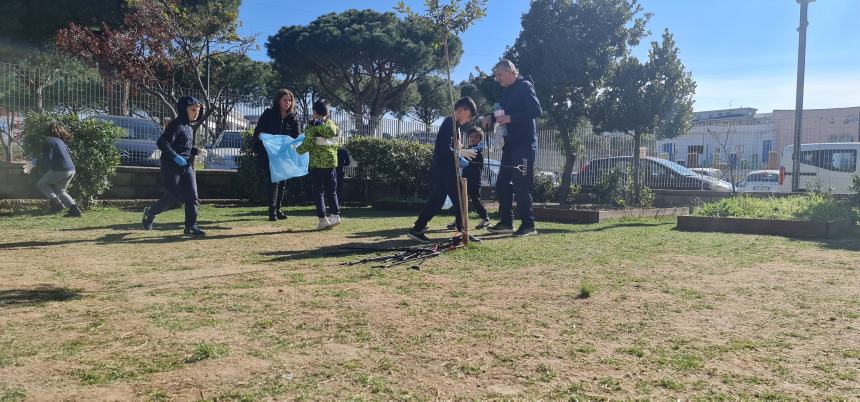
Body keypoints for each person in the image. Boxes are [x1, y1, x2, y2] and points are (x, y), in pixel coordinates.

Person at [407, 96, 481, 244]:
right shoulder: (449, 123)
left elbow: (450, 148)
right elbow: (444, 148)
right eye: (469, 116)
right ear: (461, 110)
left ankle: (417, 229)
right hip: (445, 169)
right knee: (460, 198)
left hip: (443, 168)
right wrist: (460, 152)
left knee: (437, 200)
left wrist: (460, 154)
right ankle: (461, 233)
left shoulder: (455, 126)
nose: (469, 120)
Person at [481, 59, 542, 237]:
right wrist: (489, 118)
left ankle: (528, 225)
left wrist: (511, 118)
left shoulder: (524, 86)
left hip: (524, 145)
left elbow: (536, 111)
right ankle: (506, 222)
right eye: (496, 77)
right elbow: (501, 112)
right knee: (501, 183)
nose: (498, 79)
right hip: (510, 146)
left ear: (510, 71)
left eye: (500, 75)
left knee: (521, 185)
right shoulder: (508, 92)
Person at [141, 96, 208, 236]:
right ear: (184, 110)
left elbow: (184, 147)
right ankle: (150, 213)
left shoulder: (189, 126)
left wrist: (197, 151)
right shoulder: (176, 125)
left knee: (192, 196)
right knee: (173, 197)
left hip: (186, 166)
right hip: (171, 165)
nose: (196, 113)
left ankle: (191, 227)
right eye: (193, 110)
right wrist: (175, 157)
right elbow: (162, 143)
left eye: (198, 110)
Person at [253, 89, 301, 221]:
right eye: (285, 100)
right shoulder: (269, 114)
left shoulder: (294, 116)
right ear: (278, 101)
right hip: (270, 154)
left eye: (290, 100)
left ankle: (278, 209)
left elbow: (296, 136)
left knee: (283, 182)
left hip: (285, 154)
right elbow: (258, 131)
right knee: (274, 181)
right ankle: (272, 211)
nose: (288, 102)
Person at [296, 99, 342, 230]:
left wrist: (296, 150)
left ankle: (322, 219)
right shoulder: (332, 125)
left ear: (315, 112)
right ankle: (335, 215)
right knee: (332, 191)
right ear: (327, 113)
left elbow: (308, 144)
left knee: (318, 191)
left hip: (317, 164)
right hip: (331, 163)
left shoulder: (312, 127)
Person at [25, 122, 81, 217]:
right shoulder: (60, 141)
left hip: (60, 169)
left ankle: (57, 205)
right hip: (71, 169)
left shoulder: (48, 140)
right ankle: (75, 210)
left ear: (49, 131)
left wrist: (34, 162)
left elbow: (47, 158)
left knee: (42, 184)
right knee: (60, 190)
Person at [447, 127, 490, 230]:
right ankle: (459, 220)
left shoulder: (477, 151)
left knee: (475, 200)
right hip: (464, 179)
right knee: (461, 201)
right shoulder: (468, 150)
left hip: (474, 181)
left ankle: (485, 218)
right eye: (471, 136)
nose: (473, 138)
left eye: (476, 137)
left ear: (480, 139)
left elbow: (464, 160)